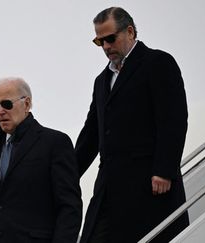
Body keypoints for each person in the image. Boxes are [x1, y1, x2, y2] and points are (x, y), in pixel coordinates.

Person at [75, 7, 189, 243]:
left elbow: (173, 119)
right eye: (99, 41)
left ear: (129, 31)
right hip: (109, 188)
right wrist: (67, 174)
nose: (106, 46)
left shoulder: (158, 63)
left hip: (150, 186)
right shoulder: (102, 80)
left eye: (110, 38)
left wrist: (164, 170)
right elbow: (91, 134)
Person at [0, 77, 82, 243]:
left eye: (7, 104)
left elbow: (69, 207)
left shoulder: (54, 143)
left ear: (27, 104)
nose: (0, 111)